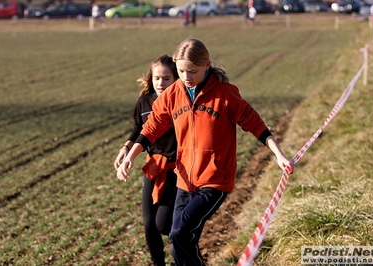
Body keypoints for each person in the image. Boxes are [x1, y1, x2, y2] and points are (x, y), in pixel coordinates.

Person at [116, 38, 294, 266]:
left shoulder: (225, 94)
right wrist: (130, 156)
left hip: (214, 181)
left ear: (207, 65)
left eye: (193, 71)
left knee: (179, 233)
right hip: (184, 181)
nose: (186, 77)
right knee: (178, 242)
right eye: (181, 71)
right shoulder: (173, 94)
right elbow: (150, 127)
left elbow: (254, 123)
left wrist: (278, 154)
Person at [114, 55, 179, 266]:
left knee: (163, 225)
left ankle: (185, 244)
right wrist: (125, 148)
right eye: (157, 78)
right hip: (154, 166)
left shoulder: (182, 101)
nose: (161, 83)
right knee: (149, 224)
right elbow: (138, 128)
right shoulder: (144, 101)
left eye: (166, 78)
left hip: (177, 168)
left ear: (176, 78)